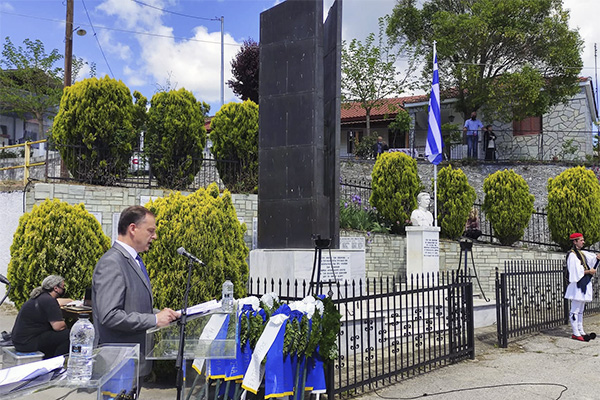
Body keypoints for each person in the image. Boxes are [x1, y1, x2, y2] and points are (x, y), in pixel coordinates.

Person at [92, 205, 180, 376]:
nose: (155, 236)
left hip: (131, 362)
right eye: (150, 231)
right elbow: (109, 315)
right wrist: (154, 319)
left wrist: (162, 314)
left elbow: (132, 307)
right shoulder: (112, 262)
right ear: (132, 228)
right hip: (116, 364)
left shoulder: (134, 260)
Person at [11, 275, 70, 359]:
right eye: (63, 287)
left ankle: (50, 357)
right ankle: (57, 362)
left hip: (19, 341)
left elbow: (59, 301)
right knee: (69, 335)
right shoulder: (49, 301)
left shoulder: (40, 296)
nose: (64, 289)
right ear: (56, 288)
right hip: (28, 343)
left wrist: (72, 301)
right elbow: (59, 327)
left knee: (53, 336)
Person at [564, 232, 600, 341]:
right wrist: (589, 271)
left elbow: (592, 259)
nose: (583, 242)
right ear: (575, 242)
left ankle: (581, 331)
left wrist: (597, 258)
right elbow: (575, 272)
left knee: (580, 310)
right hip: (577, 285)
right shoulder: (572, 255)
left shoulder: (581, 253)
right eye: (581, 240)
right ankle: (575, 332)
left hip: (583, 283)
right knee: (575, 309)